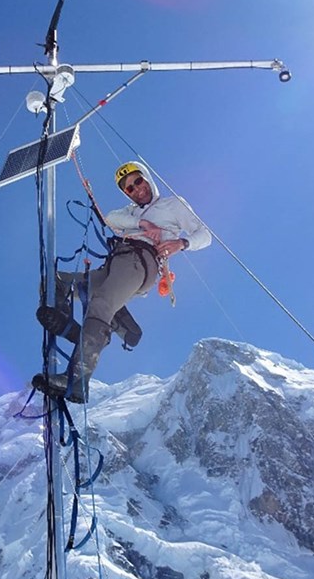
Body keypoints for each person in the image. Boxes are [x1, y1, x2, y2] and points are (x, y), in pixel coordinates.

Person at [32, 161, 212, 403]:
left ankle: (77, 381)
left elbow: (205, 234)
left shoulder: (172, 205)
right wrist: (141, 223)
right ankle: (73, 331)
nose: (136, 189)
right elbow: (110, 219)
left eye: (138, 181)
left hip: (141, 261)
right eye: (129, 188)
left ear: (147, 178)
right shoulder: (131, 213)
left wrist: (182, 243)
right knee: (57, 282)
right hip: (115, 263)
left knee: (101, 303)